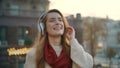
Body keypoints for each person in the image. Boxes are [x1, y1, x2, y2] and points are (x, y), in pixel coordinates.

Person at [24, 9, 93, 68]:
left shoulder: (73, 51)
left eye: (60, 20)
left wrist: (72, 40)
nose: (58, 22)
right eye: (52, 20)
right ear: (44, 28)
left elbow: (87, 65)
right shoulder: (34, 54)